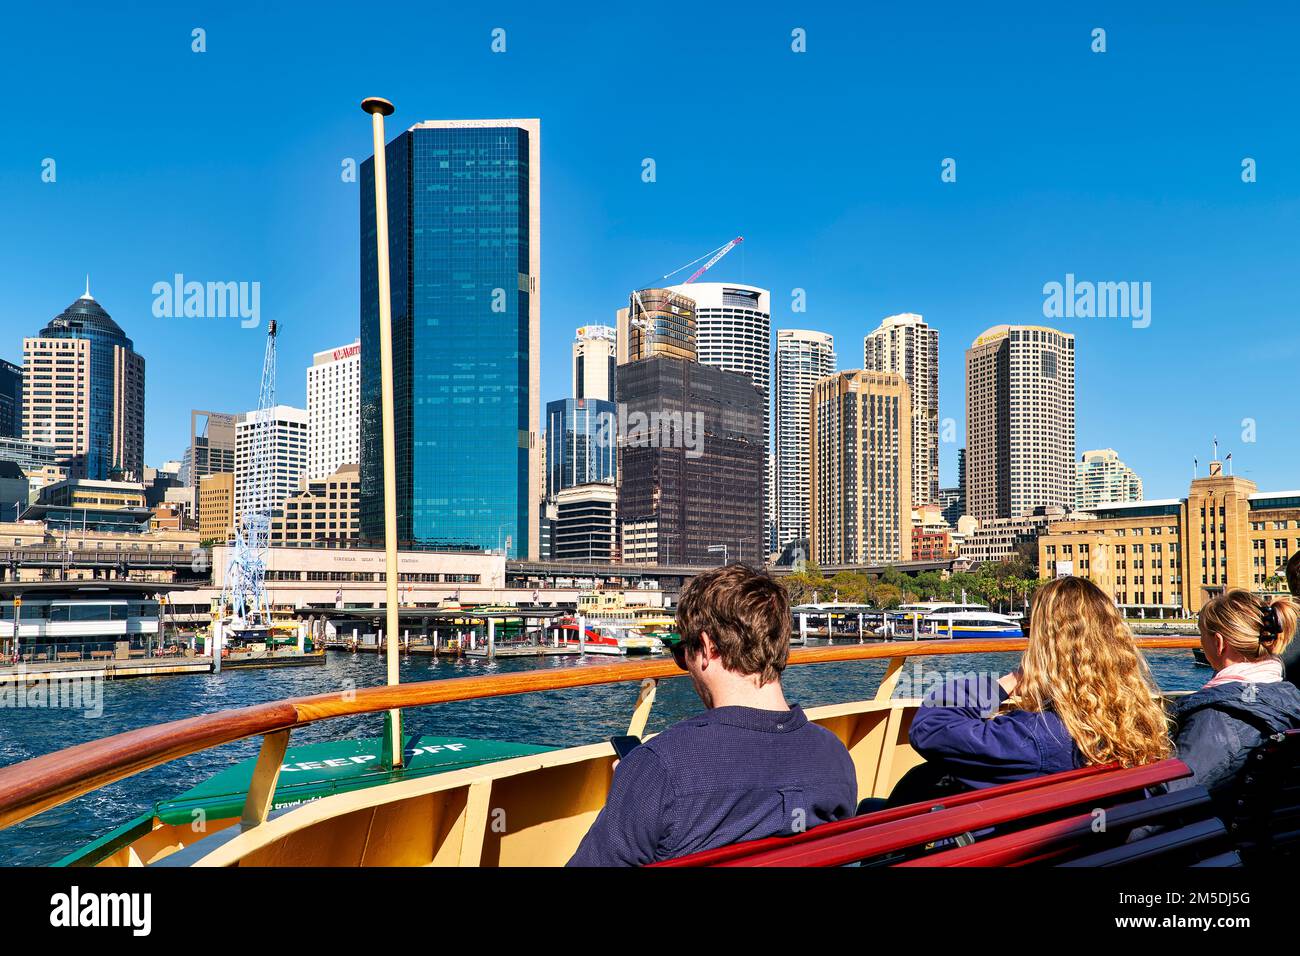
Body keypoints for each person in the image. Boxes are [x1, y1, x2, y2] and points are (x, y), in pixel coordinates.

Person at [567, 564, 857, 866]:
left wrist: (635, 791)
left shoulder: (659, 768)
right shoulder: (835, 757)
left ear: (707, 648)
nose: (685, 664)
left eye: (682, 652)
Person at [905, 576, 1172, 794]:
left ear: (1045, 649)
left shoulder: (1035, 736)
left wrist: (1010, 680)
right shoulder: (1135, 724)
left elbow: (931, 728)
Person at [1170, 589, 1300, 804]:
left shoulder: (1217, 718)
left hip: (1214, 832)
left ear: (1219, 643)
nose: (1201, 643)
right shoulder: (1290, 701)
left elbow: (1172, 797)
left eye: (1202, 635)